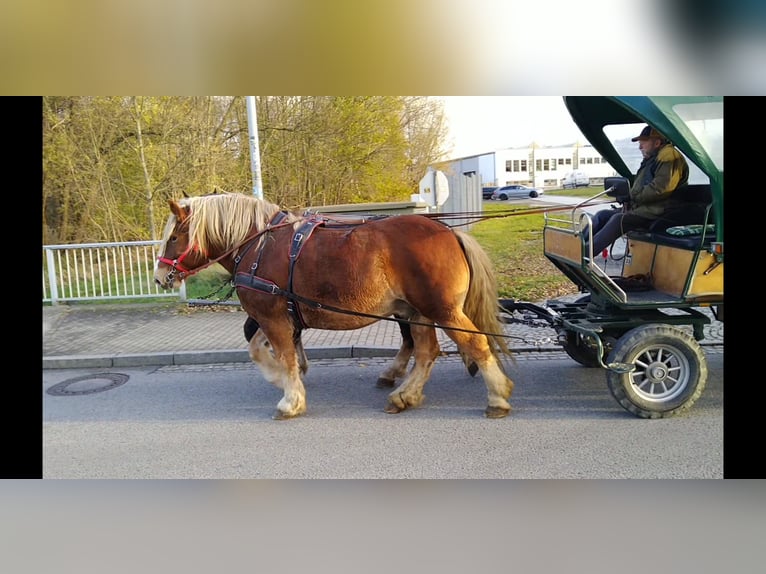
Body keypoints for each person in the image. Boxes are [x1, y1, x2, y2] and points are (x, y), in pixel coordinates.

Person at [585, 125, 690, 255]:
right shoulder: (652, 158)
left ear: (657, 142)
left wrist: (632, 197)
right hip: (646, 209)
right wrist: (627, 196)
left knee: (619, 220)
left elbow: (660, 189)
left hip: (662, 211)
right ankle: (575, 246)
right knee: (602, 215)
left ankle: (585, 253)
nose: (640, 147)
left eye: (643, 143)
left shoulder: (669, 156)